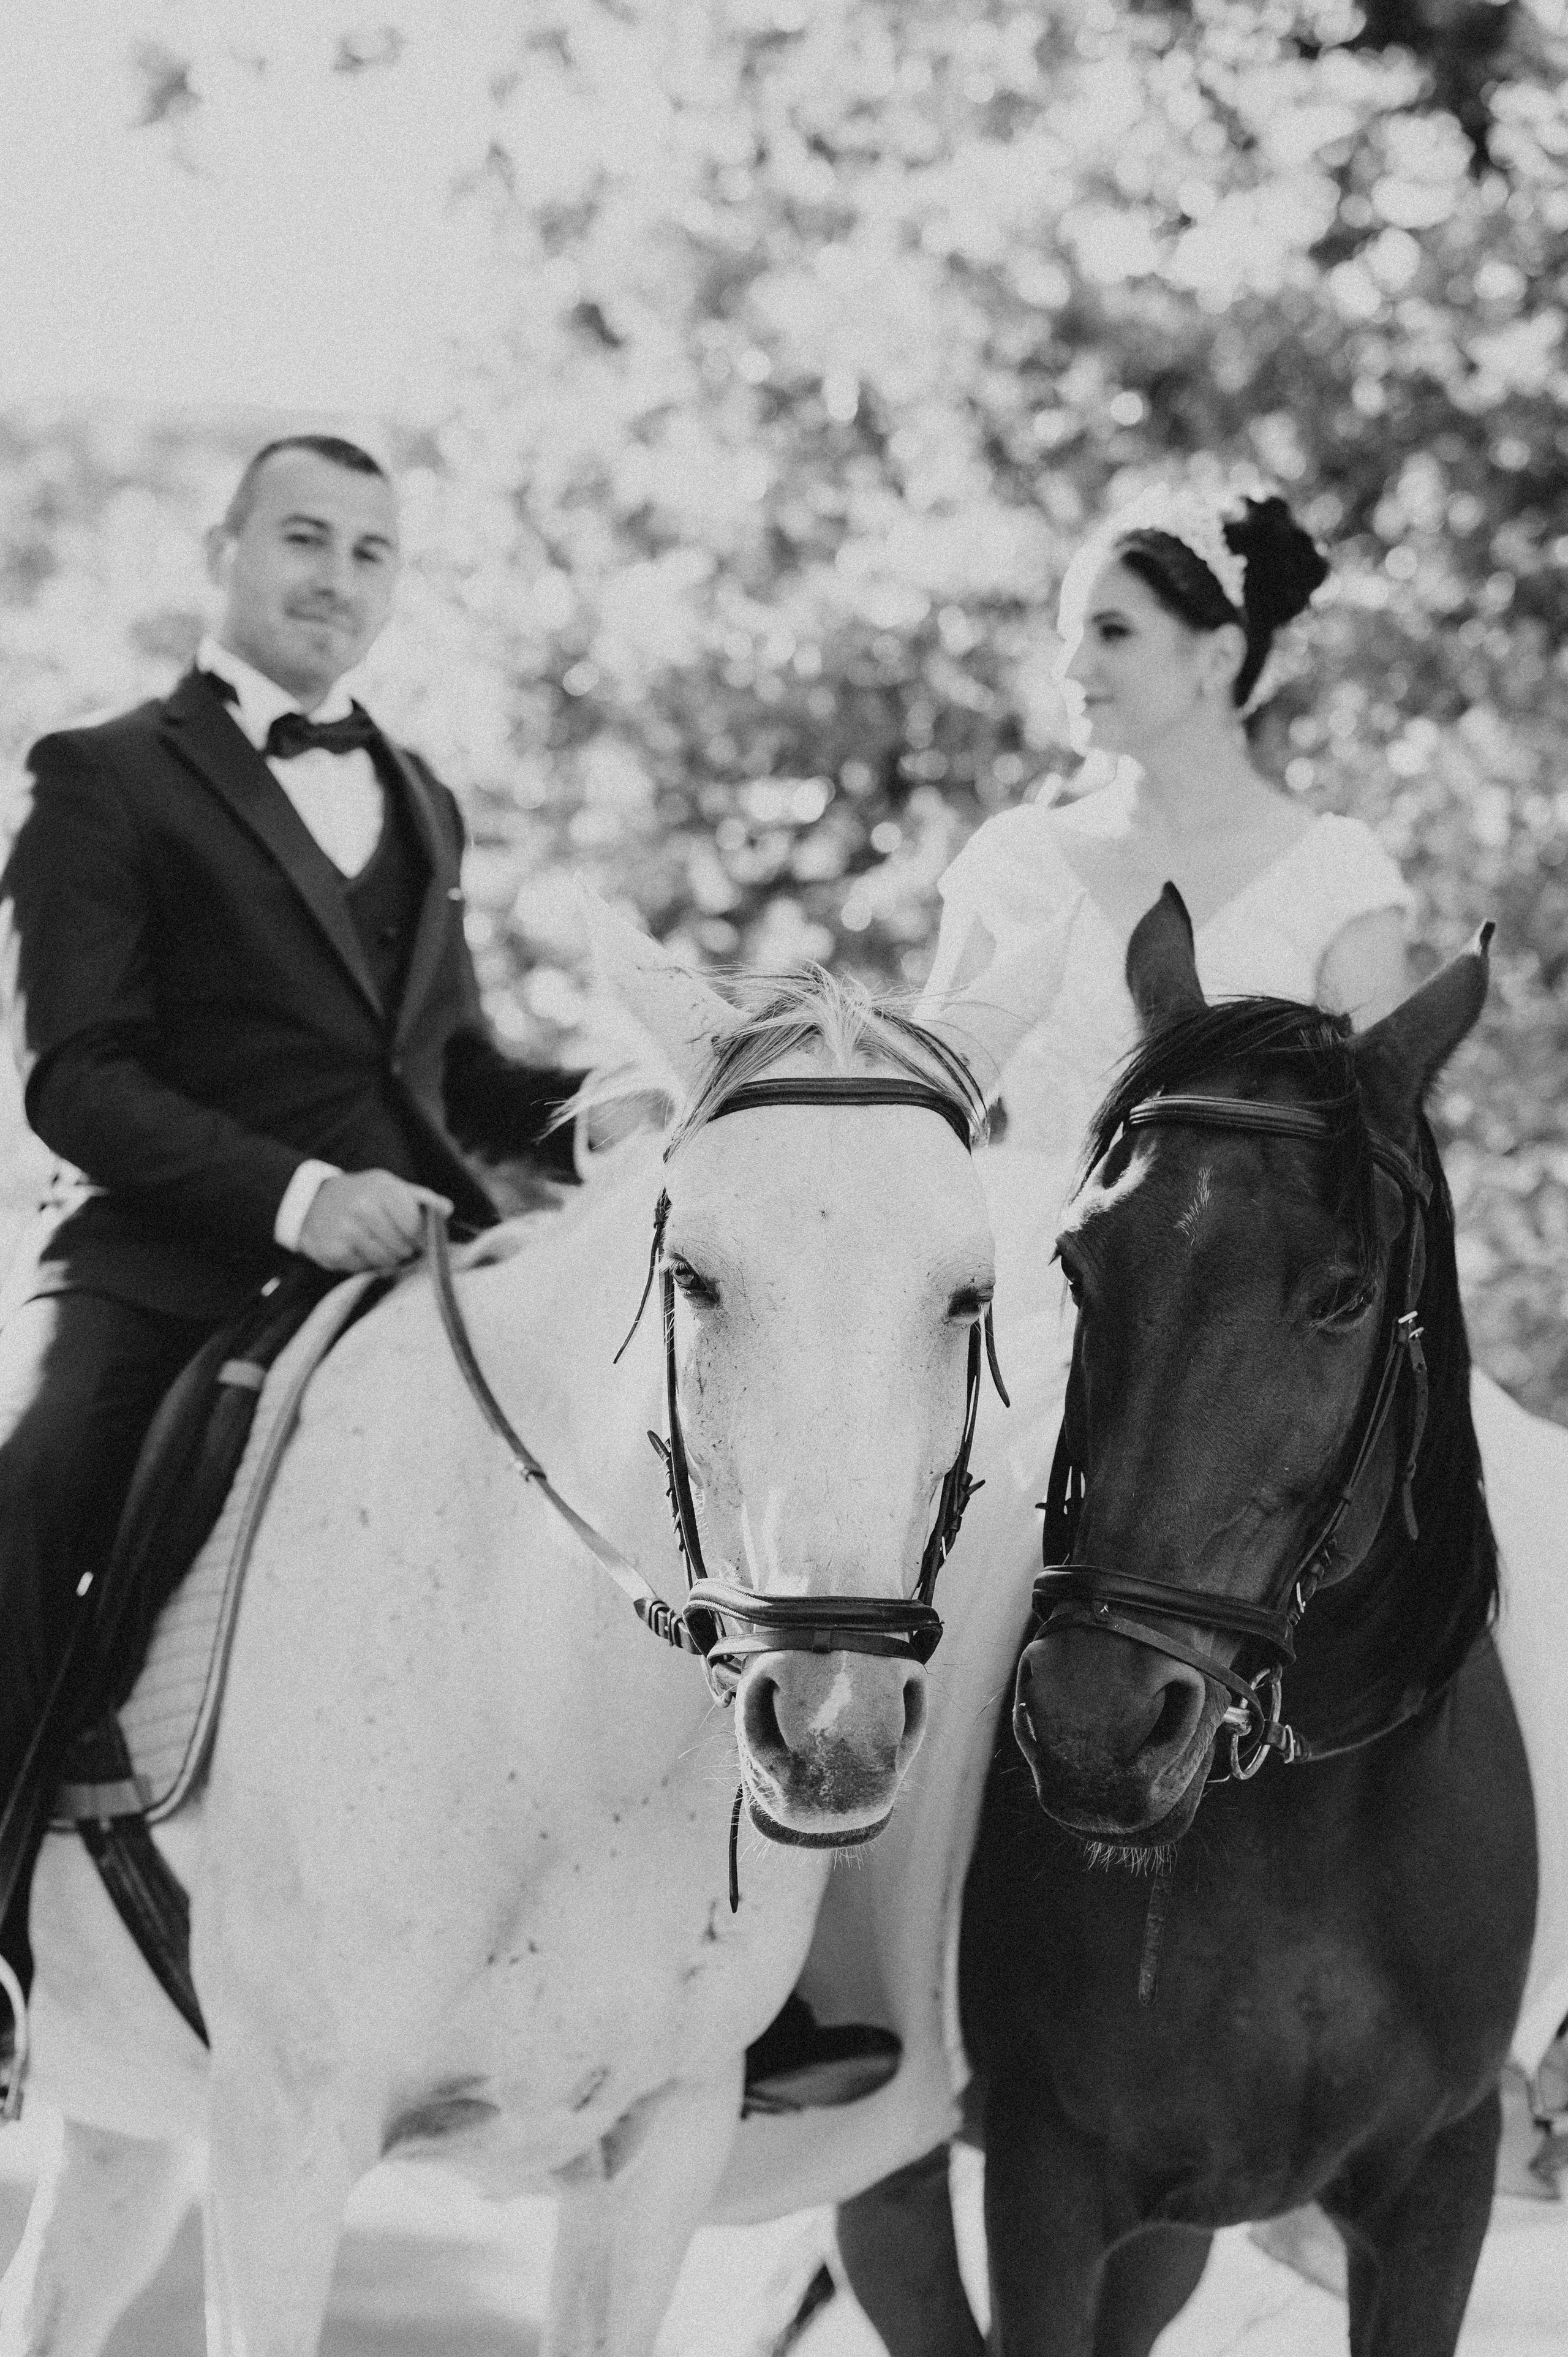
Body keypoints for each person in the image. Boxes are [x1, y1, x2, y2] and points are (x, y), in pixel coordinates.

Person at [731, 480, 1567, 2224]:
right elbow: (946, 1110)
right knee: (924, 1572)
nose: (1074, 669)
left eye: (1109, 633)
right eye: (1064, 638)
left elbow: (1372, 1130)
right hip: (1057, 1296)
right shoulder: (1015, 865)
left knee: (1533, 1528)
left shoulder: (1339, 871)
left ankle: (1512, 1997)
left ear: (1223, 653)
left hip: (1263, 1311)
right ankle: (826, 1984)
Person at [0, 434, 588, 2040]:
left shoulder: (423, 799)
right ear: (225, 549)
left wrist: (611, 1117)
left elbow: (449, 1073)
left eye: (371, 554)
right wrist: (292, 1197)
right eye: (304, 540)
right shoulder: (100, 774)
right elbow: (75, 1075)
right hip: (162, 1253)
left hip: (417, 1258)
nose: (335, 580)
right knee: (30, 1476)